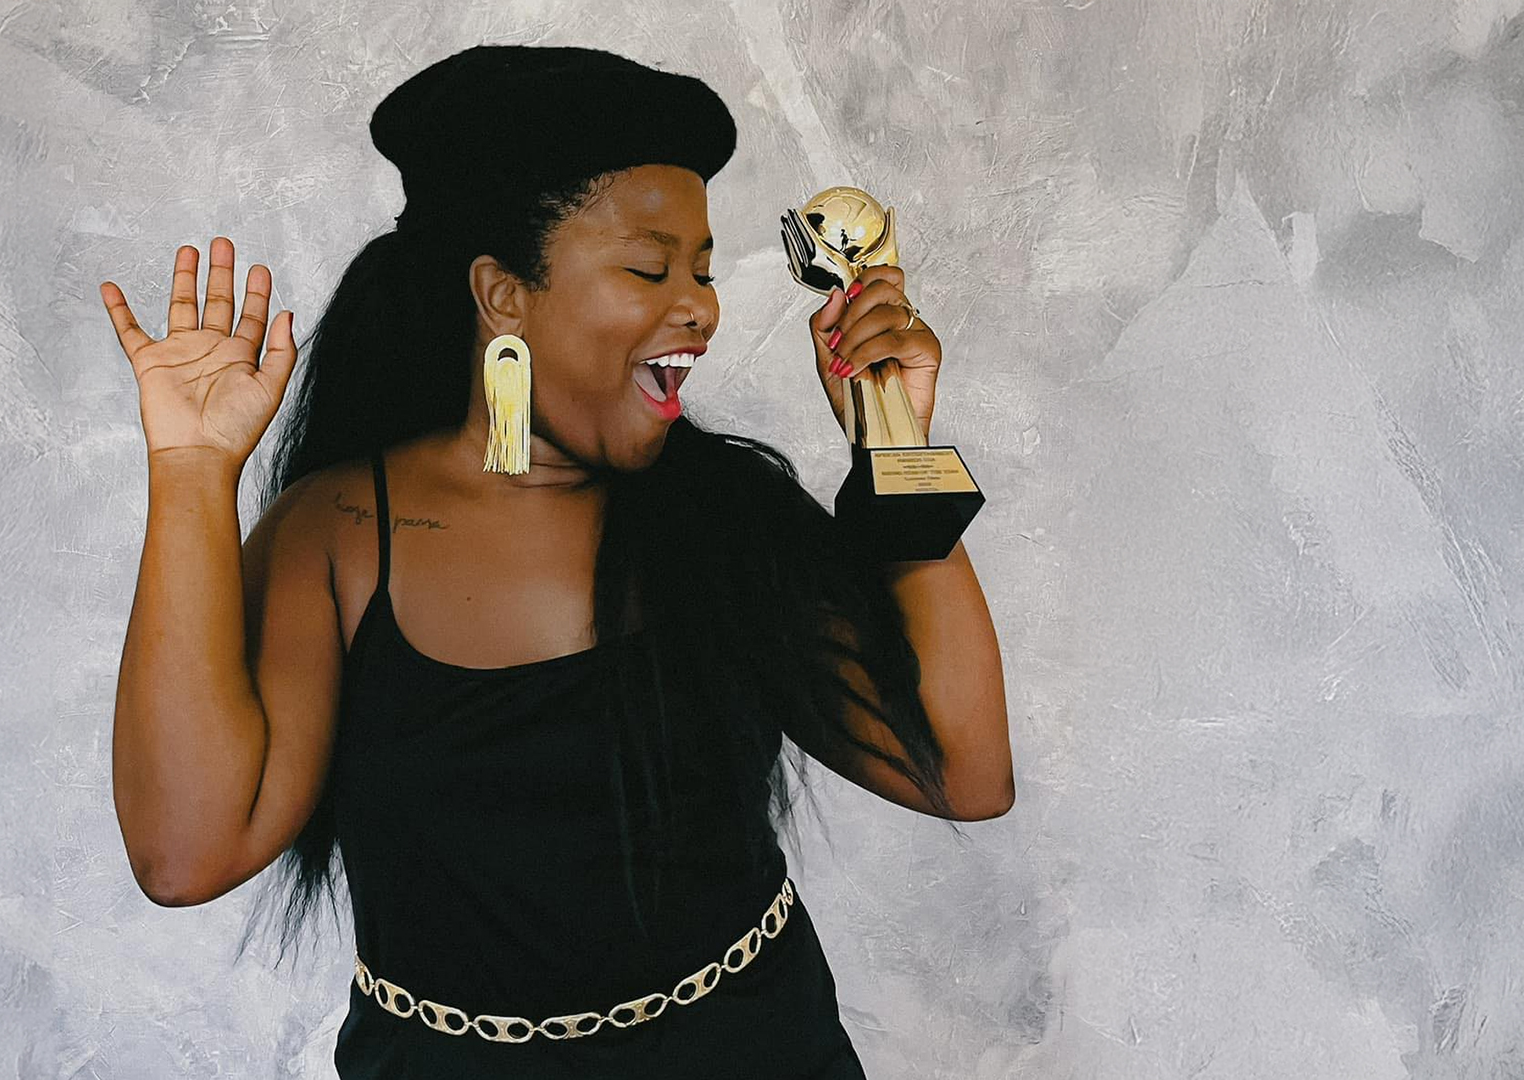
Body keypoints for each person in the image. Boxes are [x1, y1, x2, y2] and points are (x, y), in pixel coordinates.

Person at [102, 44, 1012, 1080]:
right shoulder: (341, 536)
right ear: (503, 294)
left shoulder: (727, 515)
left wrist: (896, 441)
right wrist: (188, 473)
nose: (702, 307)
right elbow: (186, 854)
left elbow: (962, 770)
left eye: (704, 270)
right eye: (650, 266)